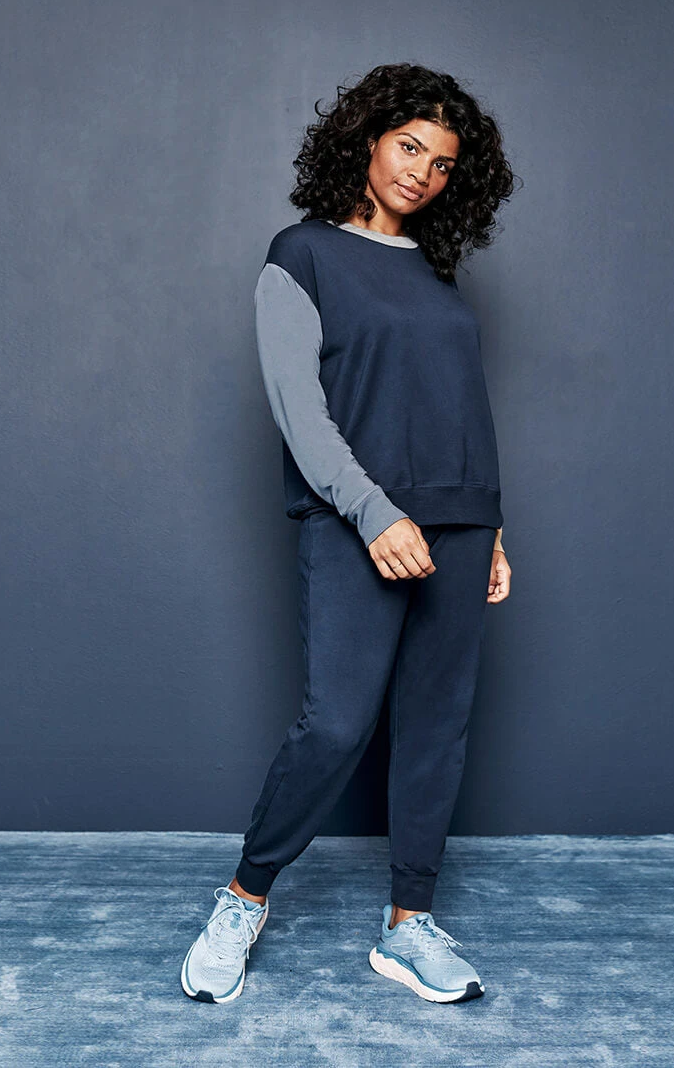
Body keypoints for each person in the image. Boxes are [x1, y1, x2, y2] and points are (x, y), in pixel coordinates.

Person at [181, 63, 517, 1005]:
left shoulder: (436, 272)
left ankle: (409, 926)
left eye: (442, 163)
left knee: (437, 727)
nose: (421, 172)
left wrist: (491, 524)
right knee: (335, 722)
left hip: (459, 522)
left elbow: (461, 407)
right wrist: (375, 512)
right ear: (366, 139)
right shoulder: (302, 253)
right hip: (353, 518)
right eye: (408, 146)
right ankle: (244, 897)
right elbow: (299, 409)